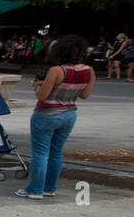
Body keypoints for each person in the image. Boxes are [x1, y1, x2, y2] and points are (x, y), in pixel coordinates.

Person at [15, 34, 95, 200]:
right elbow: (85, 95)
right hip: (69, 114)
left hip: (46, 115)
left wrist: (38, 86)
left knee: (40, 154)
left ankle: (35, 190)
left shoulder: (57, 70)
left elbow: (42, 96)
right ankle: (49, 188)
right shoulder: (89, 71)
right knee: (56, 152)